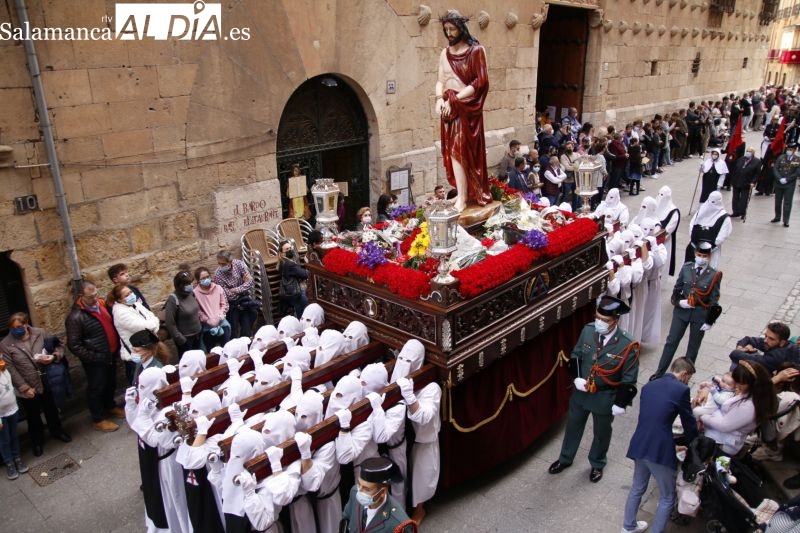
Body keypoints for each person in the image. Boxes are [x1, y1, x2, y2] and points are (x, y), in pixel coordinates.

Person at [548, 295, 640, 483]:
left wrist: (620, 403)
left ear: (615, 321)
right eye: (598, 318)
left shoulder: (627, 344)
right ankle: (565, 458)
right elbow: (576, 354)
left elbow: (629, 377)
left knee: (601, 433)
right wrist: (577, 378)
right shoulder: (588, 331)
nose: (599, 322)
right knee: (573, 426)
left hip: (604, 395)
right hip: (581, 393)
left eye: (605, 320)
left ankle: (597, 464)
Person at [622, 357, 698, 533]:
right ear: (684, 374)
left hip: (640, 443)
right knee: (668, 496)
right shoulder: (682, 390)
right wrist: (693, 443)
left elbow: (654, 418)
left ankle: (628, 526)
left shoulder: (649, 386)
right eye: (689, 378)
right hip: (660, 449)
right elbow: (689, 423)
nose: (688, 382)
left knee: (637, 487)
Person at [435, 10, 491, 212]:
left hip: (466, 108)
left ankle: (464, 198)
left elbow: (480, 81)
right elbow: (440, 81)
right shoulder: (444, 53)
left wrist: (455, 99)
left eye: (452, 29)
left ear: (461, 28)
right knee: (451, 152)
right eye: (446, 29)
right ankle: (461, 192)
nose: (449, 33)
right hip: (449, 109)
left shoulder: (476, 51)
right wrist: (439, 99)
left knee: (458, 151)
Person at [0, 312, 71, 456]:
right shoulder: (5, 344)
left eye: (19, 326)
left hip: (47, 378)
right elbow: (10, 368)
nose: (16, 330)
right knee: (33, 416)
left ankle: (57, 431)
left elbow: (59, 346)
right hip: (28, 384)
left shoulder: (40, 333)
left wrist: (53, 356)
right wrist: (24, 387)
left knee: (51, 408)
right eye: (12, 328)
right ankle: (37, 441)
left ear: (26, 324)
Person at [652, 240, 722, 379]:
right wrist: (679, 302)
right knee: (671, 342)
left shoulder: (714, 275)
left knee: (693, 348)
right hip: (682, 312)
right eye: (699, 254)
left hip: (699, 313)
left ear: (709, 257)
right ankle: (659, 373)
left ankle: (684, 378)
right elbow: (677, 290)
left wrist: (709, 321)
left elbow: (714, 300)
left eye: (704, 256)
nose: (701, 258)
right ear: (695, 254)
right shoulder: (686, 268)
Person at [65, 279, 122, 432]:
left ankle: (110, 406)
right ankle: (98, 419)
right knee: (96, 388)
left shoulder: (102, 304)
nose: (95, 299)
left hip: (110, 354)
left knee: (111, 383)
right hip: (95, 359)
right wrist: (92, 357)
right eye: (90, 297)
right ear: (81, 296)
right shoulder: (75, 317)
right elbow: (74, 344)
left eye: (96, 294)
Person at [699, 360, 777, 455]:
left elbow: (724, 426)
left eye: (740, 383)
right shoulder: (751, 394)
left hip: (724, 443)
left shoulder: (749, 406)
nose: (736, 386)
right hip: (721, 434)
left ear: (753, 384)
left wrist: (702, 416)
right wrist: (707, 389)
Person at [340, 456, 415, 533]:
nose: (360, 491)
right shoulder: (354, 492)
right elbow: (346, 518)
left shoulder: (398, 523)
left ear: (382, 492)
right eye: (359, 484)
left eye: (367, 489)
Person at [111, 284, 160, 385]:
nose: (131, 295)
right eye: (126, 295)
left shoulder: (136, 304)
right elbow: (144, 327)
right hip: (136, 355)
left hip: (147, 348)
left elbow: (151, 316)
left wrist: (153, 324)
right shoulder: (121, 313)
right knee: (141, 383)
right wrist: (154, 325)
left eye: (130, 293)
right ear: (120, 300)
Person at [214, 250, 257, 338]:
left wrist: (236, 289)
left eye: (223, 264)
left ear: (230, 262)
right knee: (233, 330)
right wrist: (243, 285)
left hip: (243, 299)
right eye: (219, 263)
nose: (221, 266)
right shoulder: (218, 275)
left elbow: (250, 281)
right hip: (231, 304)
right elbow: (228, 295)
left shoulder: (239, 264)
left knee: (247, 327)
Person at [0, 352, 29, 480]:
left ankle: (17, 457)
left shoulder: (5, 371)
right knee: (4, 440)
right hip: (1, 415)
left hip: (12, 409)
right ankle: (9, 462)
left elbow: (11, 388)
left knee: (13, 435)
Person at [684, 191, 731, 269]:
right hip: (694, 248)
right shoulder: (701, 211)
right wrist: (695, 242)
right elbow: (692, 225)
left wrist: (708, 248)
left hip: (712, 252)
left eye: (714, 202)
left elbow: (723, 235)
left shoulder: (724, 218)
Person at [729, 322, 800, 374]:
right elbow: (748, 339)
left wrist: (739, 351)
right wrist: (740, 347)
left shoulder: (777, 356)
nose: (765, 340)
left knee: (737, 365)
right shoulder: (776, 343)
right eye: (766, 336)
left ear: (782, 342)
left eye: (771, 339)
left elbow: (735, 355)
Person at [165, 270, 203, 356]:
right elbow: (170, 323)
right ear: (180, 285)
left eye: (191, 283)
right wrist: (181, 339)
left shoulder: (191, 294)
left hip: (197, 335)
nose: (191, 286)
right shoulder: (173, 299)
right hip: (185, 339)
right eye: (187, 284)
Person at [193, 266, 231, 350]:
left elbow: (224, 304)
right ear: (198, 280)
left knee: (227, 349)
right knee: (212, 352)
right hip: (207, 328)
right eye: (203, 278)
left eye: (207, 277)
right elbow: (198, 310)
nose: (206, 279)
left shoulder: (218, 288)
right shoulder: (195, 293)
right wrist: (207, 320)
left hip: (222, 323)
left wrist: (220, 315)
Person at [771, 142, 800, 227]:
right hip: (779, 183)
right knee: (778, 201)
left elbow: (797, 172)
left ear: (794, 150)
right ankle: (777, 216)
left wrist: (787, 179)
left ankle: (786, 220)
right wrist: (779, 178)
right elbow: (775, 168)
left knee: (787, 202)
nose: (789, 151)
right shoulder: (781, 157)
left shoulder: (797, 160)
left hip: (789, 184)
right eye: (788, 149)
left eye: (791, 149)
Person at [278, 240, 309, 318]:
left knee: (299, 308)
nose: (290, 250)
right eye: (286, 249)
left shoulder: (282, 262)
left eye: (290, 248)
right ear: (282, 253)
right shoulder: (289, 264)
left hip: (290, 293)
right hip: (296, 292)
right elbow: (304, 274)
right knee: (304, 308)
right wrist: (307, 263)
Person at [729, 146, 761, 219]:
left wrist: (753, 182)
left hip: (747, 182)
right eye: (747, 151)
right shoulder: (741, 159)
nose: (748, 152)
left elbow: (757, 173)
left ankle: (743, 212)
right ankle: (735, 212)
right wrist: (732, 180)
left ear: (753, 153)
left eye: (750, 151)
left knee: (744, 199)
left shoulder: (757, 161)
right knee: (735, 198)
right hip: (737, 181)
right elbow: (735, 169)